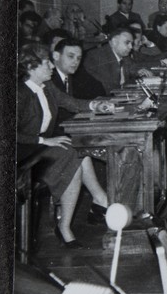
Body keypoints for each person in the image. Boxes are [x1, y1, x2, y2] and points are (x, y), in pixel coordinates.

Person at [17, 44, 116, 247]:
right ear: (31, 67)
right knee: (72, 153)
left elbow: (71, 103)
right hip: (23, 154)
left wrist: (96, 105)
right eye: (47, 64)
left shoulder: (47, 87)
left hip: (38, 148)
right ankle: (76, 218)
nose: (52, 67)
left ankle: (70, 222)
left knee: (74, 151)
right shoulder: (18, 93)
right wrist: (43, 141)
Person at [50, 38, 107, 130]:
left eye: (78, 58)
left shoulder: (69, 76)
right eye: (70, 56)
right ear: (56, 56)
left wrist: (97, 105)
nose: (75, 62)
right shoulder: (49, 79)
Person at [84, 27, 153, 93]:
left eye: (131, 43)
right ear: (114, 41)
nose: (131, 47)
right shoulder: (99, 56)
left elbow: (133, 67)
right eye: (127, 43)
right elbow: (112, 88)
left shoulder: (123, 56)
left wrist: (139, 70)